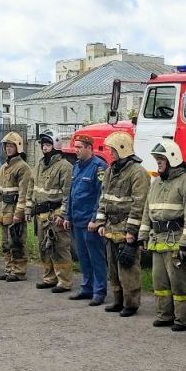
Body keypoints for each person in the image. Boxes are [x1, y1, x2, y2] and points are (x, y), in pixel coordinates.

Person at [139, 140, 186, 331]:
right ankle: (164, 315)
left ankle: (183, 319)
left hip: (176, 241)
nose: (158, 162)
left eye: (161, 159)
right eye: (157, 159)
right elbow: (147, 212)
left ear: (173, 159)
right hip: (157, 241)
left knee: (180, 284)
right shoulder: (156, 182)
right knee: (160, 283)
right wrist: (143, 234)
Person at [91, 131, 149, 317]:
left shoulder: (137, 172)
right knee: (113, 268)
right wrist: (100, 222)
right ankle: (118, 300)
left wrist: (132, 231)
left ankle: (131, 304)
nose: (110, 153)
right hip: (110, 228)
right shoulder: (110, 170)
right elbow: (104, 199)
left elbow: (139, 203)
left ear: (123, 150)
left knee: (128, 269)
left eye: (113, 150)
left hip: (125, 229)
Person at [65, 134, 108, 306]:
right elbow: (71, 193)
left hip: (89, 223)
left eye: (79, 147)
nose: (76, 150)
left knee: (96, 257)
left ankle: (99, 291)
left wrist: (95, 219)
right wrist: (67, 216)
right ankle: (86, 287)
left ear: (90, 148)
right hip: (77, 219)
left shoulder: (99, 168)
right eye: (75, 147)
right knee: (83, 257)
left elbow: (100, 196)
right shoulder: (76, 167)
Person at [29, 131, 74, 293]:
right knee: (44, 248)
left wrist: (62, 215)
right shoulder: (40, 165)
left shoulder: (65, 167)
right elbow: (32, 188)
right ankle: (49, 278)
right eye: (43, 145)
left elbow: (68, 194)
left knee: (60, 248)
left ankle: (64, 281)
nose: (45, 148)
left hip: (55, 215)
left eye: (48, 145)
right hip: (41, 214)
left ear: (55, 145)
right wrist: (29, 208)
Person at [0, 131, 33, 282]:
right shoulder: (3, 168)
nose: (8, 149)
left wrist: (19, 213)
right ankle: (9, 268)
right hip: (4, 210)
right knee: (6, 242)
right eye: (6, 146)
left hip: (14, 210)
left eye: (11, 146)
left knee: (16, 241)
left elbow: (24, 192)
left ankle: (19, 271)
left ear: (18, 147)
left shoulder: (23, 168)